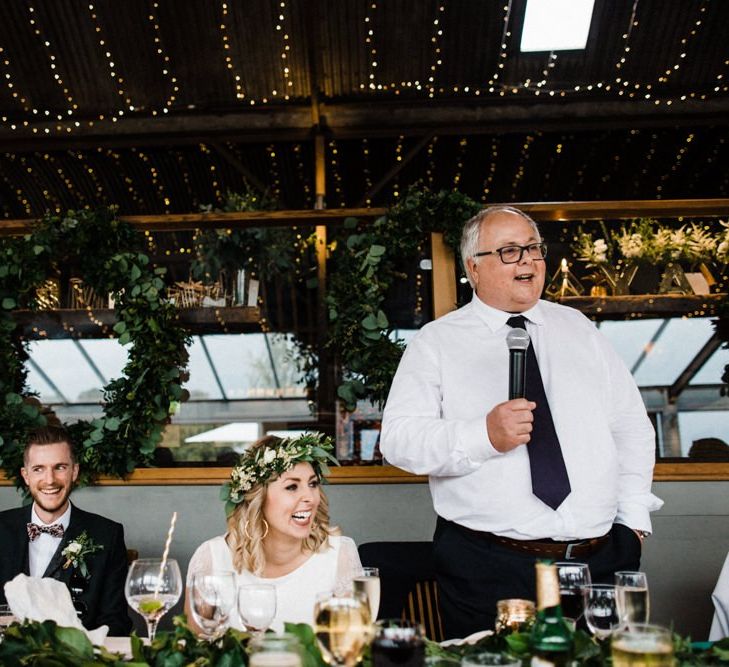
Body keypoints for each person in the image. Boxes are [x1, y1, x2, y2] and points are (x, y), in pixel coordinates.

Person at [380, 206, 663, 638]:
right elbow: (399, 441)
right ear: (473, 268)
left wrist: (634, 521)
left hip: (601, 558)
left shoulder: (579, 328)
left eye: (534, 248)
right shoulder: (436, 342)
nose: (529, 260)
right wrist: (483, 436)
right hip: (491, 566)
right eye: (510, 251)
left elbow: (630, 427)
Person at [185, 433, 362, 633]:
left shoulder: (339, 554)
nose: (311, 498)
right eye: (292, 487)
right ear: (258, 497)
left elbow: (351, 652)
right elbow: (194, 651)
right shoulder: (211, 558)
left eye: (312, 484)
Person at [0, 425, 132, 635]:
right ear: (26, 476)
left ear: (74, 472)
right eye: (38, 469)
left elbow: (115, 622)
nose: (50, 480)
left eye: (60, 467)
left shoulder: (107, 535)